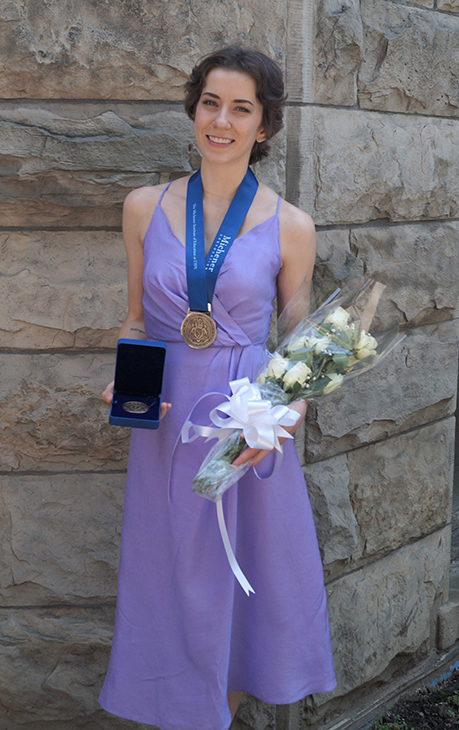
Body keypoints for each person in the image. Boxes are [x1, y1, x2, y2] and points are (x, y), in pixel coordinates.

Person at [99, 46, 336, 730]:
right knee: (171, 574)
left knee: (240, 582)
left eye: (241, 108)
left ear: (264, 126)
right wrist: (126, 386)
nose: (221, 121)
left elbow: (306, 345)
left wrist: (284, 419)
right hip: (166, 419)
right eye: (211, 103)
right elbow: (138, 318)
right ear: (193, 109)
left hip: (246, 423)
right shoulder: (143, 207)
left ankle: (218, 717)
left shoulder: (292, 226)